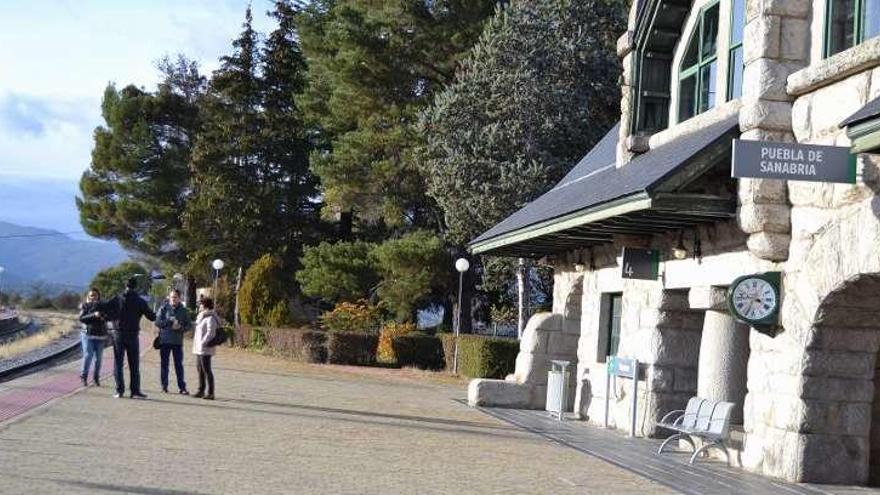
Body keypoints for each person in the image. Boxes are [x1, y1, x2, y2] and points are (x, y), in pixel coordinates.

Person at [106, 276, 156, 399]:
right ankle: (135, 391)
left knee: (118, 363)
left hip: (118, 333)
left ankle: (119, 390)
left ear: (125, 285)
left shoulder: (117, 298)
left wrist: (112, 317)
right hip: (133, 335)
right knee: (134, 364)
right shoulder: (140, 301)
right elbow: (152, 317)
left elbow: (105, 308)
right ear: (136, 286)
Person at [155, 288, 191, 394]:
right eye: (171, 297)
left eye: (175, 297)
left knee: (179, 365)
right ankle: (164, 386)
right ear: (169, 297)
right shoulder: (163, 308)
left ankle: (182, 388)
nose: (173, 299)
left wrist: (179, 327)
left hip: (177, 342)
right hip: (164, 341)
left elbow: (189, 326)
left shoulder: (184, 311)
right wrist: (168, 321)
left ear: (180, 298)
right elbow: (157, 323)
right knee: (164, 365)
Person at [78, 288, 109, 387]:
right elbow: (81, 318)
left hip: (100, 336)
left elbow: (108, 318)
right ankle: (84, 376)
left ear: (98, 296)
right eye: (91, 295)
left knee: (98, 359)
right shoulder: (85, 306)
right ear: (88, 297)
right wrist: (93, 315)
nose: (93, 297)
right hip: (88, 335)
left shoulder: (103, 306)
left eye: (95, 295)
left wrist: (103, 317)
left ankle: (96, 378)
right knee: (88, 355)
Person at [192, 297, 218, 400]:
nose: (199, 306)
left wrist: (203, 342)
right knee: (200, 369)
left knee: (207, 369)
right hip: (199, 348)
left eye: (200, 304)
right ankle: (201, 390)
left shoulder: (210, 317)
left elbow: (211, 332)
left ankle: (211, 392)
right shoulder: (201, 316)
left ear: (205, 305)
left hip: (205, 348)